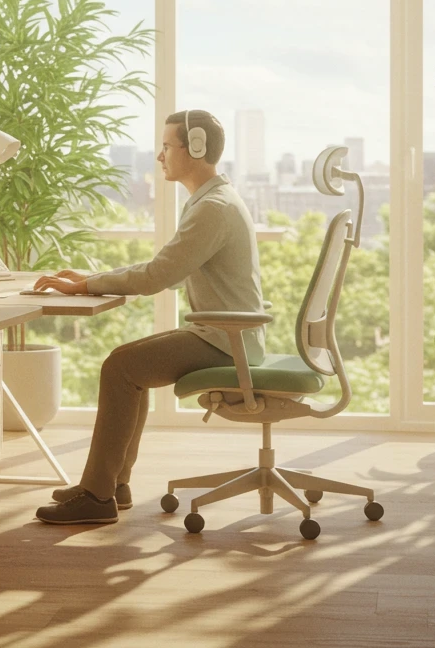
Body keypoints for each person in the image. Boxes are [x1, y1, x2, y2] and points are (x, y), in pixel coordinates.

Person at [32, 109, 265, 525]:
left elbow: (158, 275)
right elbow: (165, 267)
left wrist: (84, 286)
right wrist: (90, 279)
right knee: (128, 366)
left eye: (166, 146)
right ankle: (111, 485)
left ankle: (97, 496)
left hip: (226, 340)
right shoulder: (213, 200)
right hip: (225, 333)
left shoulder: (212, 208)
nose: (159, 156)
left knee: (121, 367)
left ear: (195, 148)